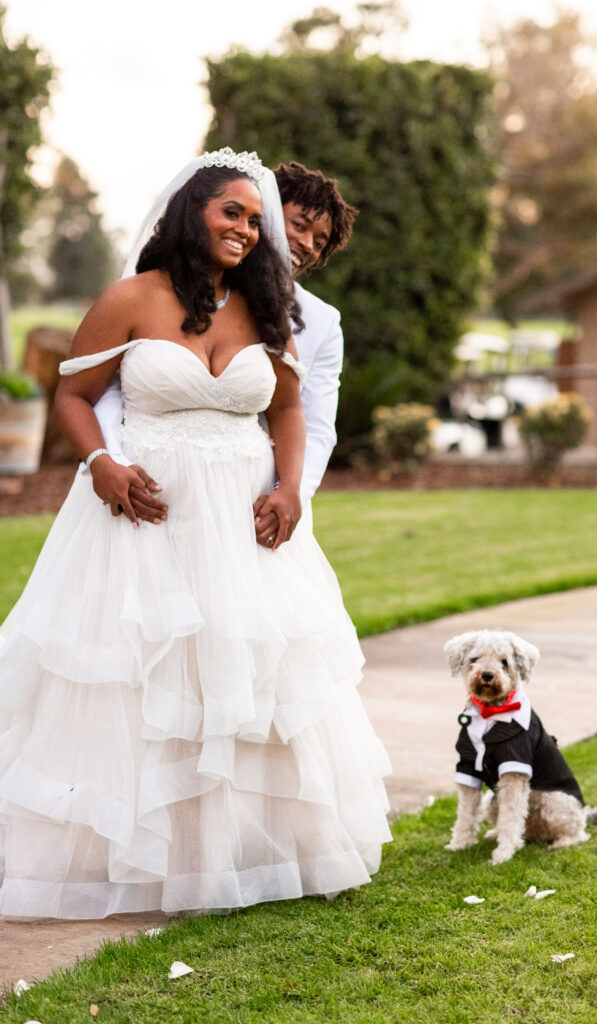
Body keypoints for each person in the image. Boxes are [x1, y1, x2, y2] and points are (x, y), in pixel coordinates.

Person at [0, 147, 391, 920]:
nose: (247, 230)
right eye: (232, 213)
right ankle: (131, 858)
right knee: (137, 677)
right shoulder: (130, 299)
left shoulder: (264, 305)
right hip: (144, 509)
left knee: (244, 674)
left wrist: (287, 488)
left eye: (255, 219)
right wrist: (103, 464)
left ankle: (241, 853)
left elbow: (289, 409)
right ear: (193, 212)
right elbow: (75, 393)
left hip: (243, 517)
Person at [91, 160, 358, 540]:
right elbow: (108, 390)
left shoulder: (320, 321)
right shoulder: (141, 297)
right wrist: (108, 459)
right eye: (299, 225)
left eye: (320, 241)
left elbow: (312, 420)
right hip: (153, 485)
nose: (306, 244)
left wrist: (290, 492)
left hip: (254, 502)